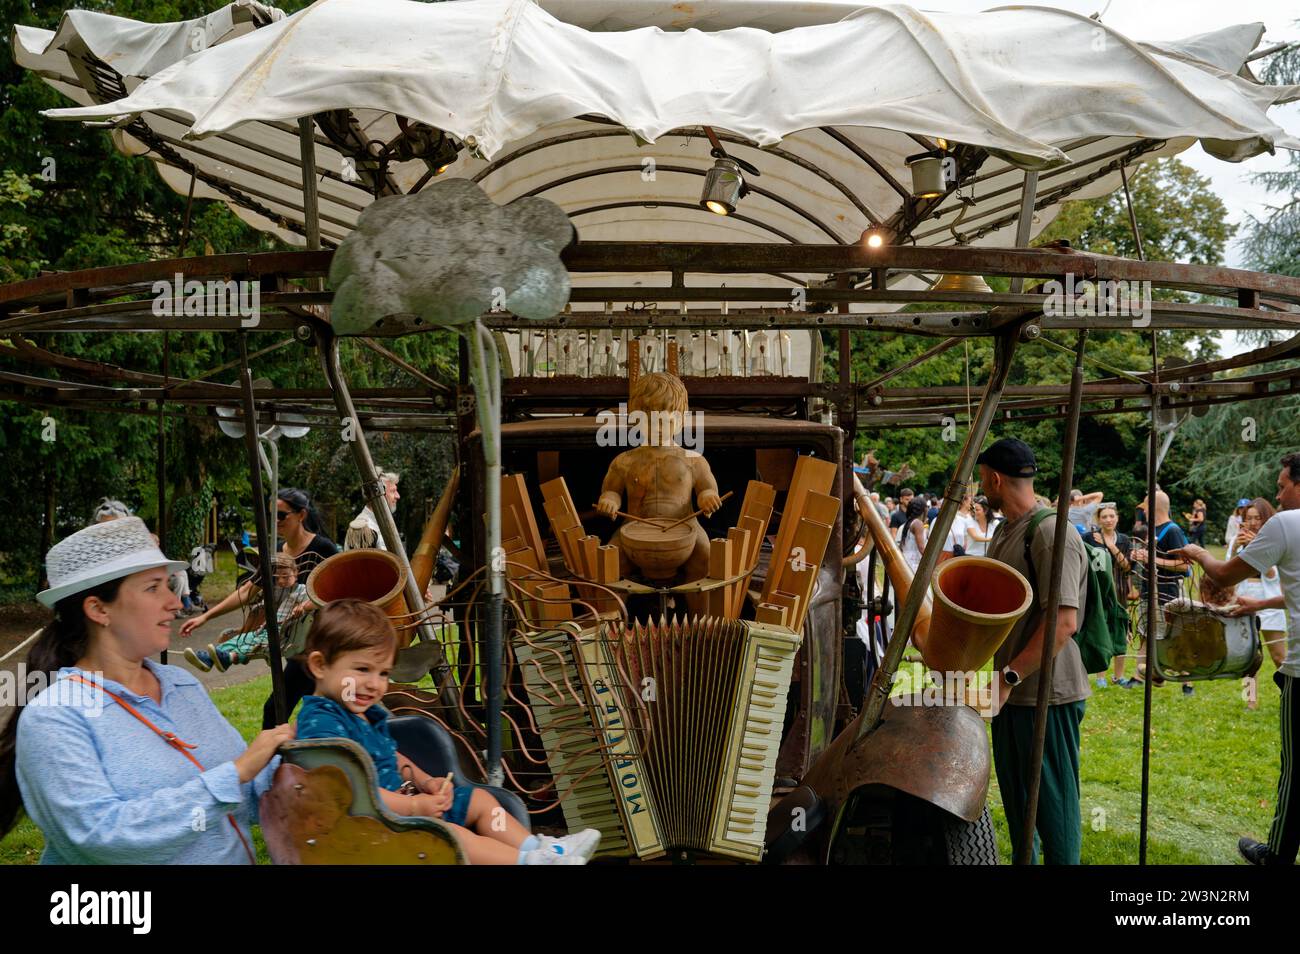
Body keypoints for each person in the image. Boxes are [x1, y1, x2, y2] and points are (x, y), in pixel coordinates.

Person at [0, 517, 292, 863]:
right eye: (154, 588)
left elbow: (245, 789)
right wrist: (237, 772)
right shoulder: (54, 716)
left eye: (169, 586)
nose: (176, 603)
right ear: (98, 609)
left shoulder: (181, 683)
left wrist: (304, 769)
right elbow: (102, 836)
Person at [296, 599, 600, 864]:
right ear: (320, 665)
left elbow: (391, 754)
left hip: (400, 809)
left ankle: (544, 848)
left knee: (481, 803)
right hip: (369, 827)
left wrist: (425, 781)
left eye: (384, 673)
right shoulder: (322, 727)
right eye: (362, 670)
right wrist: (414, 806)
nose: (375, 684)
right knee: (448, 836)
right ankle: (528, 861)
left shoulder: (363, 712)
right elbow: (353, 794)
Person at [1174, 453, 1300, 865]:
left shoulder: (1287, 523)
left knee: (1295, 770)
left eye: (1282, 486)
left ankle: (1277, 854)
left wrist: (1197, 553)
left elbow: (1225, 574)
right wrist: (1261, 603)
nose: (1277, 496)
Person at [978, 437, 1089, 865]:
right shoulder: (1008, 529)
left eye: (981, 479)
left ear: (995, 478)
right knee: (1022, 805)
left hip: (1045, 693)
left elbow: (1063, 623)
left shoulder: (1049, 532)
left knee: (1054, 811)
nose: (980, 486)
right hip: (1011, 692)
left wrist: (1007, 679)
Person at [181, 554, 310, 672]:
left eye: (286, 576)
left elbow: (311, 601)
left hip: (281, 635)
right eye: (277, 577)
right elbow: (246, 594)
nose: (281, 581)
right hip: (265, 629)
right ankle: (210, 658)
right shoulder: (275, 590)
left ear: (296, 573)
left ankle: (230, 658)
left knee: (251, 645)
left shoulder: (301, 590)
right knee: (238, 640)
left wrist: (302, 606)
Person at [1228, 498, 1288, 712]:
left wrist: (1255, 547)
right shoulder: (1239, 538)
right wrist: (1235, 548)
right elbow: (1229, 568)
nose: (1252, 522)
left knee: (1279, 656)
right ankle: (1250, 701)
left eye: (1257, 518)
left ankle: (1288, 694)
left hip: (1268, 603)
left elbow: (1272, 574)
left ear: (1266, 519)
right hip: (1245, 602)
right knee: (1249, 658)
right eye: (1249, 518)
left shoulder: (1274, 538)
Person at [1132, 488, 1193, 694]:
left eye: (1145, 508)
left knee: (1175, 639)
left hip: (1168, 593)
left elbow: (1185, 566)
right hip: (1149, 591)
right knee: (1145, 633)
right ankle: (1138, 678)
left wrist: (1151, 558)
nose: (1143, 512)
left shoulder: (1172, 530)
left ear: (1153, 508)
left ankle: (1187, 683)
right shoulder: (1153, 530)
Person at [1083, 504, 1134, 688]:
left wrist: (1110, 545)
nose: (1108, 520)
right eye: (1104, 517)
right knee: (1101, 631)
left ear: (1117, 518)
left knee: (1120, 633)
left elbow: (1127, 566)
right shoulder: (1089, 538)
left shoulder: (1124, 540)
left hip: (1120, 592)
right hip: (1099, 591)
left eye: (1111, 516)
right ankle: (1100, 676)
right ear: (1099, 520)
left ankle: (1119, 676)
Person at [347, 471, 401, 552]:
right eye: (393, 491)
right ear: (378, 494)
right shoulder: (363, 529)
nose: (398, 496)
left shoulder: (381, 524)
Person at [899, 497, 928, 573]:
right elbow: (921, 548)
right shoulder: (918, 523)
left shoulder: (910, 522)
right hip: (913, 562)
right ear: (924, 509)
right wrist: (930, 561)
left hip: (906, 559)